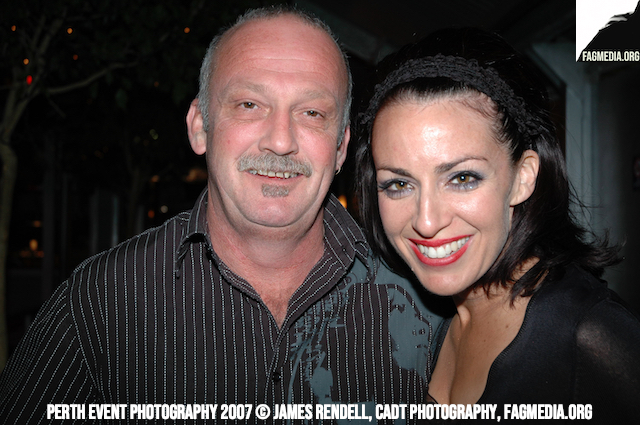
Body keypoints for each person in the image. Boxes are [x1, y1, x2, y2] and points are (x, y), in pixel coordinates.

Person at [0, 6, 442, 423]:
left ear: (341, 147)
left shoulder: (428, 302)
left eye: (312, 112)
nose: (281, 141)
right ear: (199, 126)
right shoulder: (102, 302)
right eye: (249, 105)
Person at [356, 27, 640, 422]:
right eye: (399, 184)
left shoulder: (590, 334)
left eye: (462, 178)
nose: (426, 221)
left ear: (522, 177)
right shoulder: (420, 318)